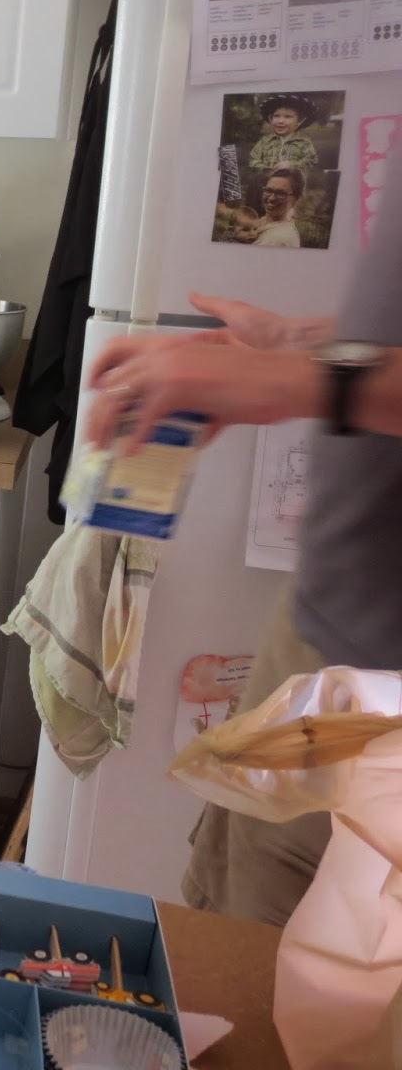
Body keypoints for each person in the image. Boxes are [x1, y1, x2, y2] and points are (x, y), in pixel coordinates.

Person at [84, 156, 402, 925]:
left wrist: (305, 380)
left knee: (307, 972)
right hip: (330, 634)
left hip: (383, 683)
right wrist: (300, 344)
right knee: (239, 918)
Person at [247, 93, 320, 173]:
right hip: (268, 178)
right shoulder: (265, 141)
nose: (280, 121)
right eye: (276, 116)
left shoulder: (304, 142)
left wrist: (291, 165)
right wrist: (268, 169)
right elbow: (253, 159)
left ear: (299, 121)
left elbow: (311, 161)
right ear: (271, 119)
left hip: (293, 179)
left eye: (287, 116)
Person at [252, 168, 304, 248]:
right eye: (268, 190)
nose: (271, 198)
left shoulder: (279, 239)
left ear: (295, 198)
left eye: (281, 193)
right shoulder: (263, 221)